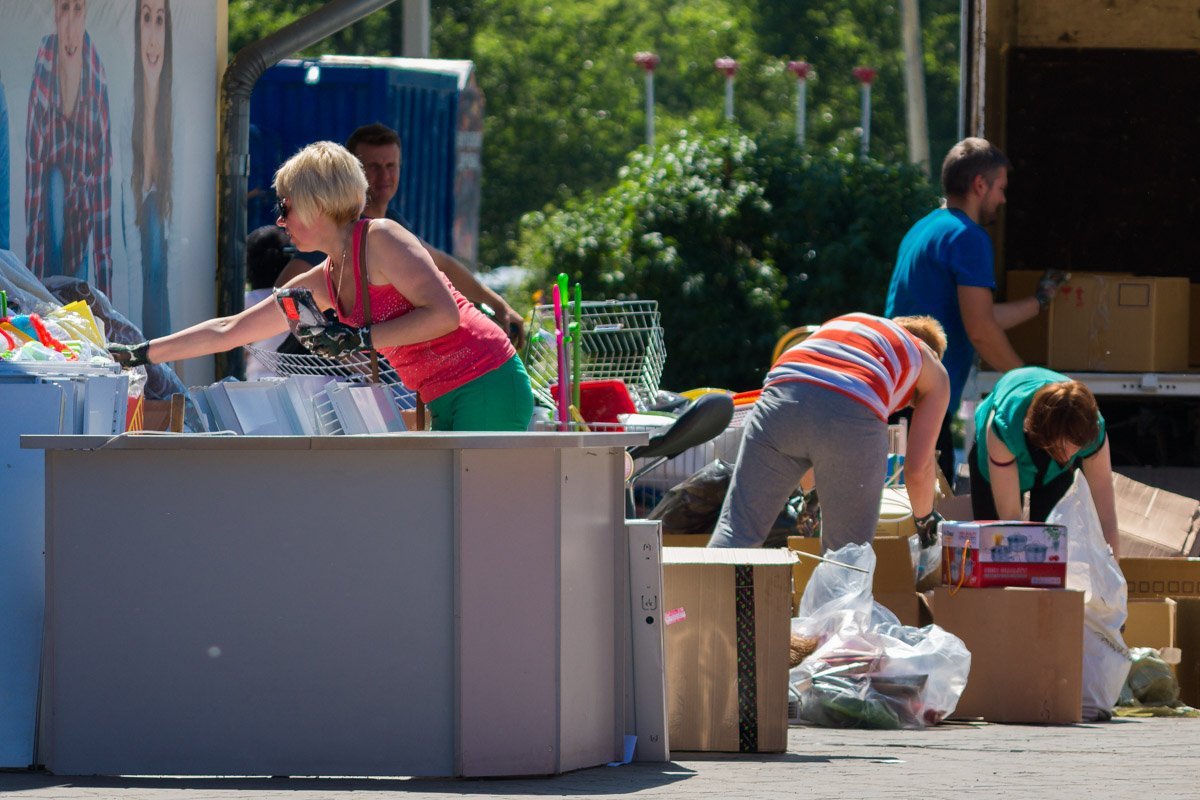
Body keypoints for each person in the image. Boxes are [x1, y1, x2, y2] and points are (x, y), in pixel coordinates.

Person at [110, 141, 534, 432]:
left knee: (474, 527)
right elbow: (230, 330)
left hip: (486, 381)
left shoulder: (382, 237)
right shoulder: (326, 275)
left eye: (285, 206)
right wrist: (142, 354)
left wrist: (357, 338)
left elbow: (445, 315)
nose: (279, 220)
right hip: (446, 395)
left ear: (315, 202)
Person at [885, 137, 1069, 481]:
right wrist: (1035, 387)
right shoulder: (968, 237)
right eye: (1000, 187)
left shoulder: (924, 229)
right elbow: (982, 332)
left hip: (897, 394)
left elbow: (978, 316)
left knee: (897, 515)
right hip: (920, 401)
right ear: (979, 184)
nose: (1002, 198)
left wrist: (1040, 301)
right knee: (922, 519)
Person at [707, 312, 951, 552]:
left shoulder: (855, 326)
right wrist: (926, 521)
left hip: (780, 396)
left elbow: (812, 425)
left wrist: (811, 496)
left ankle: (704, 591)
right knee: (846, 558)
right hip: (852, 403)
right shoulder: (932, 366)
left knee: (736, 533)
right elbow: (918, 468)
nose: (908, 406)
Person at [343, 122, 525, 347]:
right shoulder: (343, 230)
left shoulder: (394, 222)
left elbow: (442, 265)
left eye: (391, 165)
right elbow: (292, 284)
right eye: (374, 167)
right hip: (350, 369)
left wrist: (498, 305)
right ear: (353, 174)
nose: (384, 175)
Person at [969, 367, 1119, 556]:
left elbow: (1106, 514)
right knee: (995, 547)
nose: (1069, 455)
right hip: (997, 457)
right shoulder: (1004, 426)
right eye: (1063, 447)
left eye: (1077, 447)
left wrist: (1114, 571)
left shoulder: (1092, 430)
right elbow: (1011, 521)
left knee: (1054, 545)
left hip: (1052, 471)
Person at [25, 0, 113, 296]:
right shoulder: (45, 63)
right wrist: (31, 285)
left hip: (81, 223)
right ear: (54, 14)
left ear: (86, 14)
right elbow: (34, 176)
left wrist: (106, 298)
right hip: (51, 227)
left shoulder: (97, 75)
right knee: (53, 181)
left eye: (78, 10)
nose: (71, 25)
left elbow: (102, 182)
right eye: (65, 9)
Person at [131, 0, 172, 338]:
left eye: (160, 20)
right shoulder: (122, 112)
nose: (153, 37)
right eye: (146, 19)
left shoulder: (179, 118)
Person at [241, 224, 295, 380]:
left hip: (257, 384)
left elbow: (241, 352)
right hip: (296, 385)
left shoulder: (248, 301)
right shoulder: (296, 300)